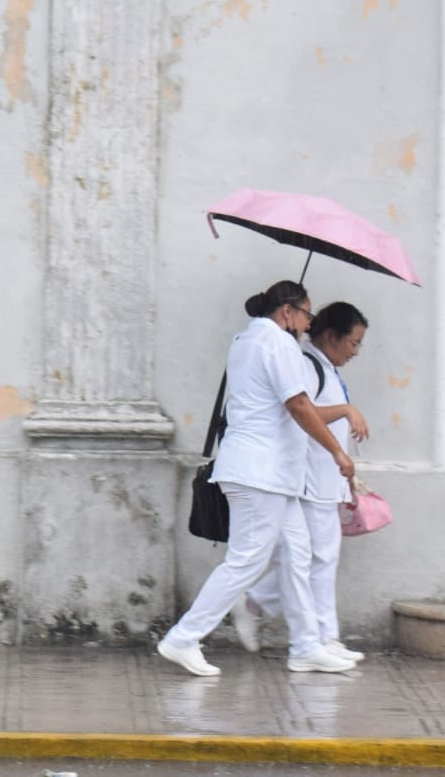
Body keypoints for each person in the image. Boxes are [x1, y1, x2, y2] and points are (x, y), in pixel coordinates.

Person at [156, 280, 357, 677]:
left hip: (271, 474)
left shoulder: (246, 339)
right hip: (258, 472)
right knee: (247, 560)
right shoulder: (278, 344)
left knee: (298, 555)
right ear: (288, 312)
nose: (307, 323)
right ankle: (183, 637)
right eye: (306, 314)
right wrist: (336, 450)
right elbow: (299, 404)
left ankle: (306, 646)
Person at [231, 302, 370, 662]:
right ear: (330, 336)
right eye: (353, 343)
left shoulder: (323, 366)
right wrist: (344, 411)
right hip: (309, 479)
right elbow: (298, 410)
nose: (356, 352)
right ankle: (320, 637)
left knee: (313, 560)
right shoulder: (307, 365)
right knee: (317, 559)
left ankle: (265, 606)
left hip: (326, 480)